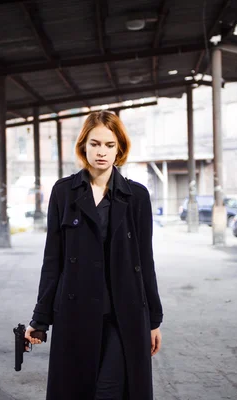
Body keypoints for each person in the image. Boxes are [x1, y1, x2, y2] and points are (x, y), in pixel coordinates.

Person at [25, 111, 163, 400]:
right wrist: (40, 319)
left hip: (123, 313)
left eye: (109, 145)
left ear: (119, 148)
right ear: (83, 146)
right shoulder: (64, 192)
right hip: (75, 311)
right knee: (76, 390)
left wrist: (153, 320)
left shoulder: (136, 196)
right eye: (95, 143)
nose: (102, 152)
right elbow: (53, 261)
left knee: (109, 390)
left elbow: (144, 261)